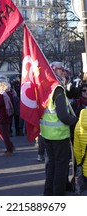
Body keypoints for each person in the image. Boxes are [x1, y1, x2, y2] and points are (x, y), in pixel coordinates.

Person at [40, 61, 78, 195]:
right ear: (54, 70)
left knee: (51, 166)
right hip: (59, 135)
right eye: (62, 70)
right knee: (60, 168)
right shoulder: (57, 89)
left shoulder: (45, 87)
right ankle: (58, 196)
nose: (64, 72)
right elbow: (63, 116)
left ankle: (48, 192)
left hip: (47, 134)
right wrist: (75, 119)